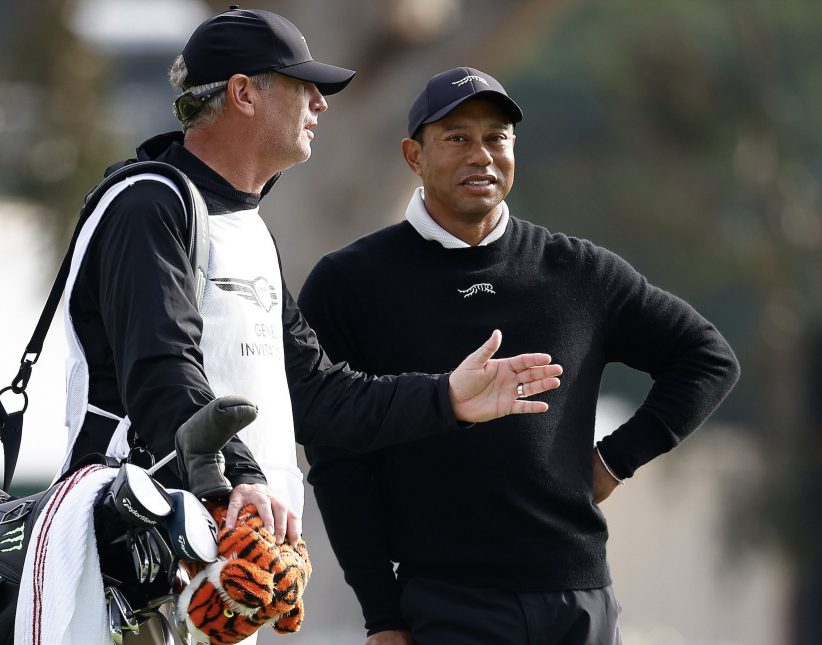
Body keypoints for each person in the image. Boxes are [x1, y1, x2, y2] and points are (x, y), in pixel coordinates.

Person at [62, 10, 562, 555]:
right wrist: (241, 479)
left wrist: (446, 397)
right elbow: (162, 372)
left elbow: (318, 394)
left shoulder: (245, 227)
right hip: (126, 550)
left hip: (216, 545)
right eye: (304, 88)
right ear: (243, 93)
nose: (321, 104)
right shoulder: (148, 205)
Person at [298, 66, 741, 645]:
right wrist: (381, 615)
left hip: (579, 597)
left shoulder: (580, 271)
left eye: (496, 137)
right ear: (413, 155)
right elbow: (336, 458)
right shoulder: (349, 282)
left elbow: (708, 358)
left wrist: (613, 461)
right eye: (457, 137)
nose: (480, 154)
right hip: (445, 603)